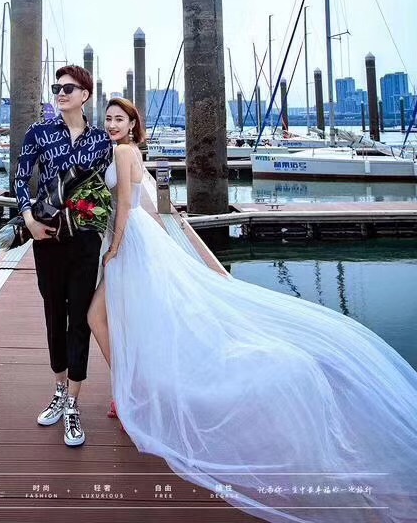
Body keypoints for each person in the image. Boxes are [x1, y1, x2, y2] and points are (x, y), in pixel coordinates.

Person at [88, 97, 417, 523]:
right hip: (140, 240)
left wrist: (113, 249)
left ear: (133, 124)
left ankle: (126, 394)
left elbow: (127, 206)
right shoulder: (131, 152)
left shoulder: (122, 152)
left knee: (103, 317)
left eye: (119, 118)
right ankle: (127, 392)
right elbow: (148, 206)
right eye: (108, 118)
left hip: (129, 242)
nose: (112, 124)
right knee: (131, 317)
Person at [14, 65, 112, 447]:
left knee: (79, 319)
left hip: (84, 240)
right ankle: (58, 389)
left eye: (68, 88)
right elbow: (21, 178)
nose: (60, 92)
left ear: (85, 94)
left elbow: (106, 188)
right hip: (47, 237)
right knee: (54, 313)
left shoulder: (101, 140)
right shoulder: (38, 133)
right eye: (57, 87)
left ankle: (73, 402)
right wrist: (29, 220)